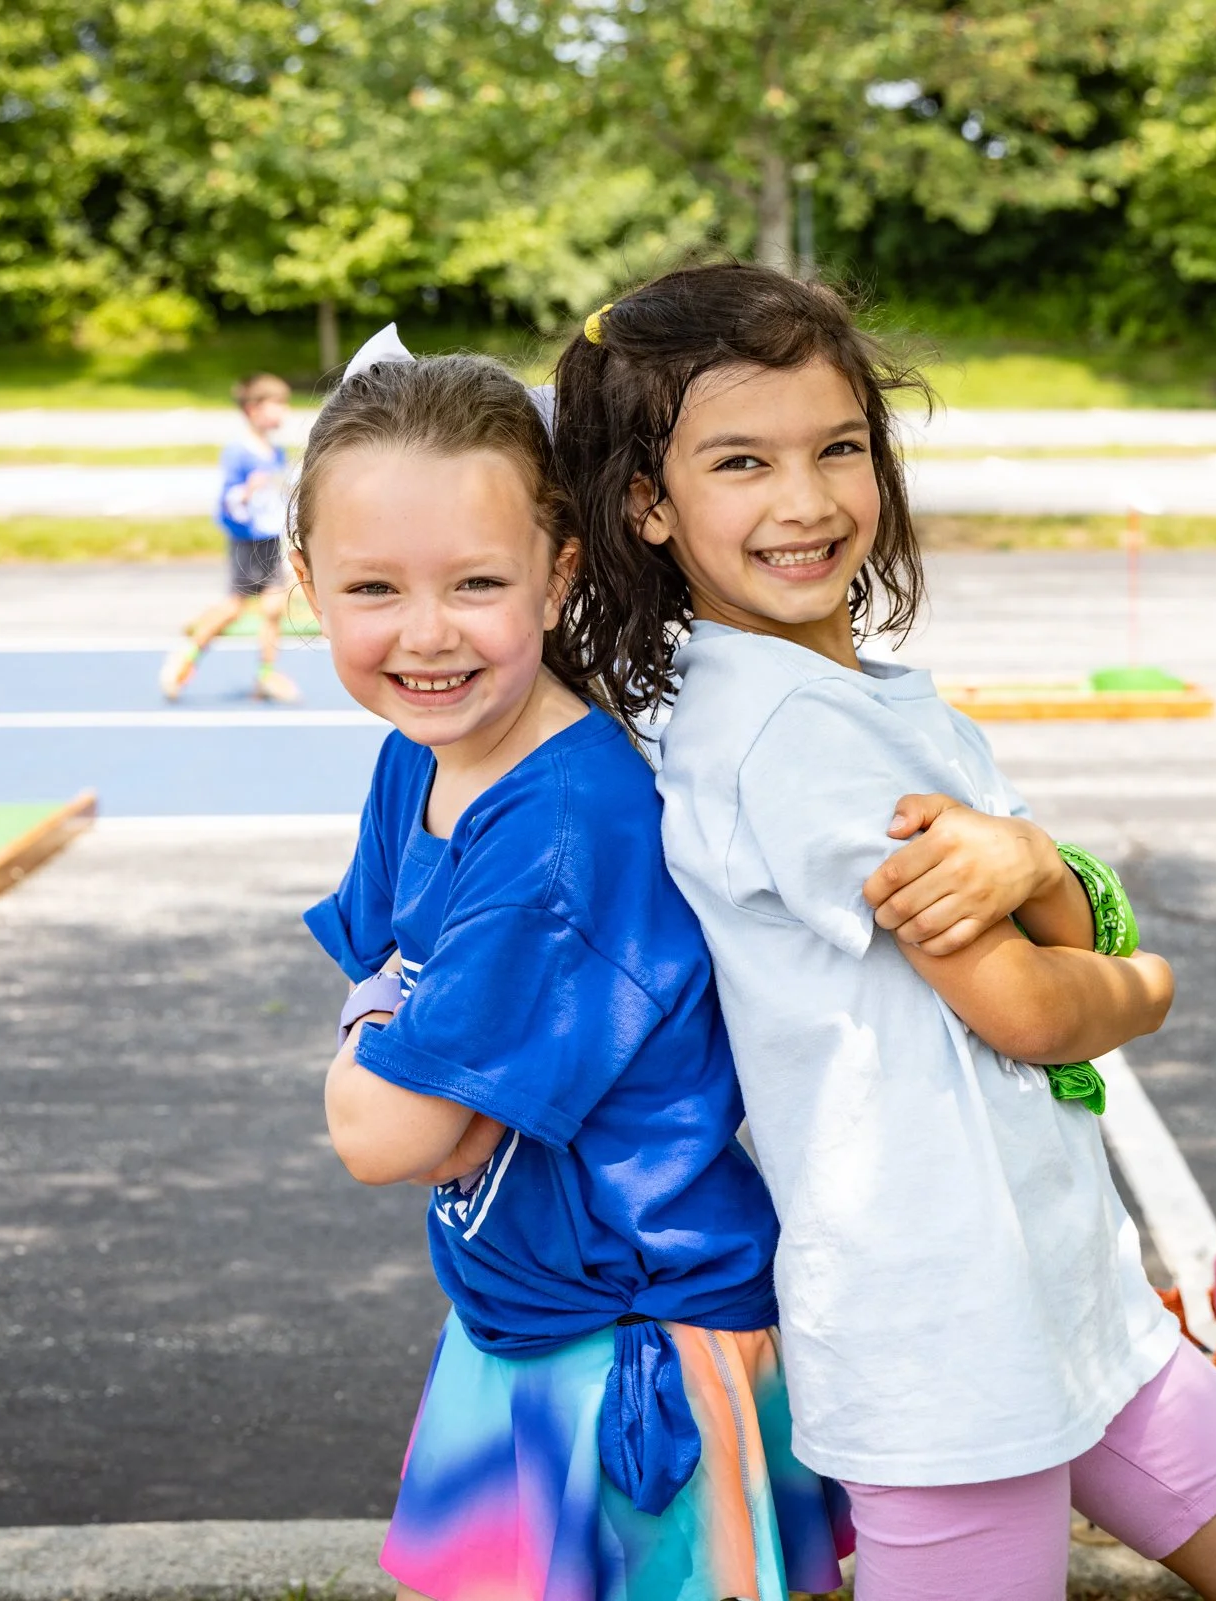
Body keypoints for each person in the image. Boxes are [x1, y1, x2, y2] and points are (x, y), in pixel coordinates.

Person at [551, 265, 1216, 1601]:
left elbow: (1048, 904)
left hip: (1066, 1289)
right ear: (649, 503)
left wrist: (1038, 861)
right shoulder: (785, 732)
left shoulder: (851, 696)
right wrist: (1147, 981)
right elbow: (1037, 1010)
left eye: (838, 448)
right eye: (741, 463)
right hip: (944, 1337)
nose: (806, 500)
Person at [289, 342, 852, 1601]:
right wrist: (397, 1022)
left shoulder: (559, 835)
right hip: (523, 1310)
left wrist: (384, 1023)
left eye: (477, 581)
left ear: (557, 575)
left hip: (638, 1347)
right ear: (305, 581)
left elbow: (389, 1131)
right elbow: (397, 1031)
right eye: (374, 585)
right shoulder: (425, 754)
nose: (425, 635)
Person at [159, 372, 301, 702]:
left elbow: (278, 497)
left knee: (273, 607)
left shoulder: (276, 453)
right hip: (246, 541)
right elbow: (228, 502)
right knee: (234, 608)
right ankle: (186, 655)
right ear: (253, 410)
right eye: (276, 405)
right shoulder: (239, 453)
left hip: (267, 539)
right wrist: (244, 495)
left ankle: (265, 675)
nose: (283, 412)